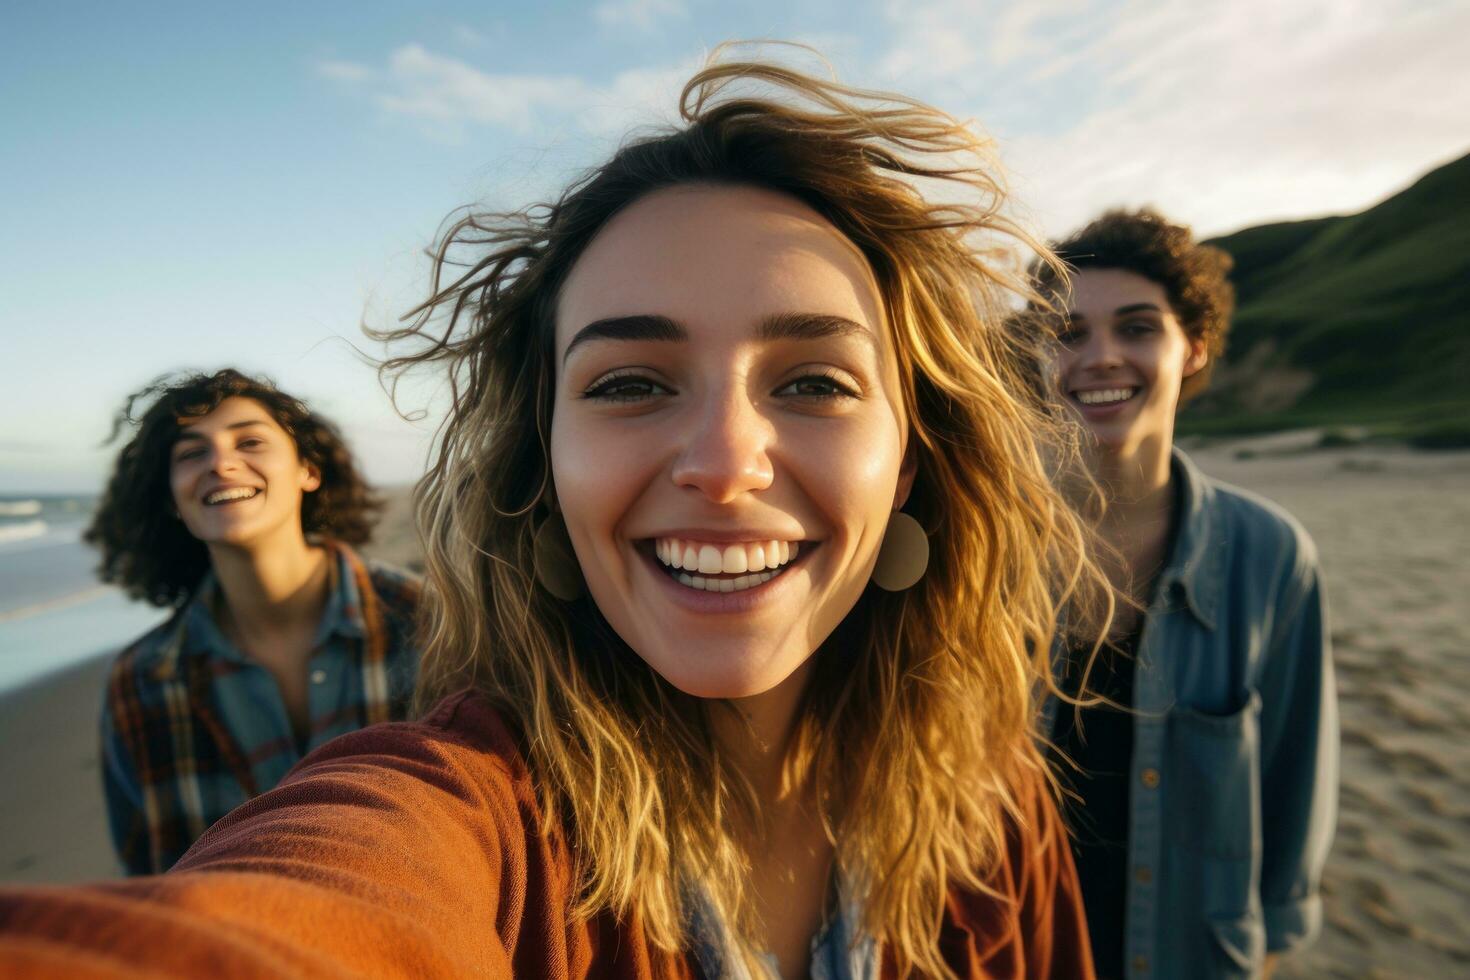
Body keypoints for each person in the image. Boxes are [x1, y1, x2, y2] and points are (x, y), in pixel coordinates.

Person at [2, 55, 1105, 978]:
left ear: (909, 460)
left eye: (815, 381)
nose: (724, 461)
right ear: (545, 463)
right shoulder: (471, 818)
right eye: (629, 382)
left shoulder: (995, 806)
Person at [1034, 210, 1338, 979]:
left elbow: (1294, 784)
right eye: (1069, 334)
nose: (1101, 357)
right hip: (1007, 952)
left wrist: (1265, 948)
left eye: (1137, 329)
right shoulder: (986, 546)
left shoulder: (1268, 555)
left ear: (1192, 346)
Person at [85, 368, 422, 874]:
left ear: (308, 468)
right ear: (173, 498)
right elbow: (148, 883)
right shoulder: (141, 683)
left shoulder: (431, 622)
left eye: (250, 441)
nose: (221, 463)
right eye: (192, 452)